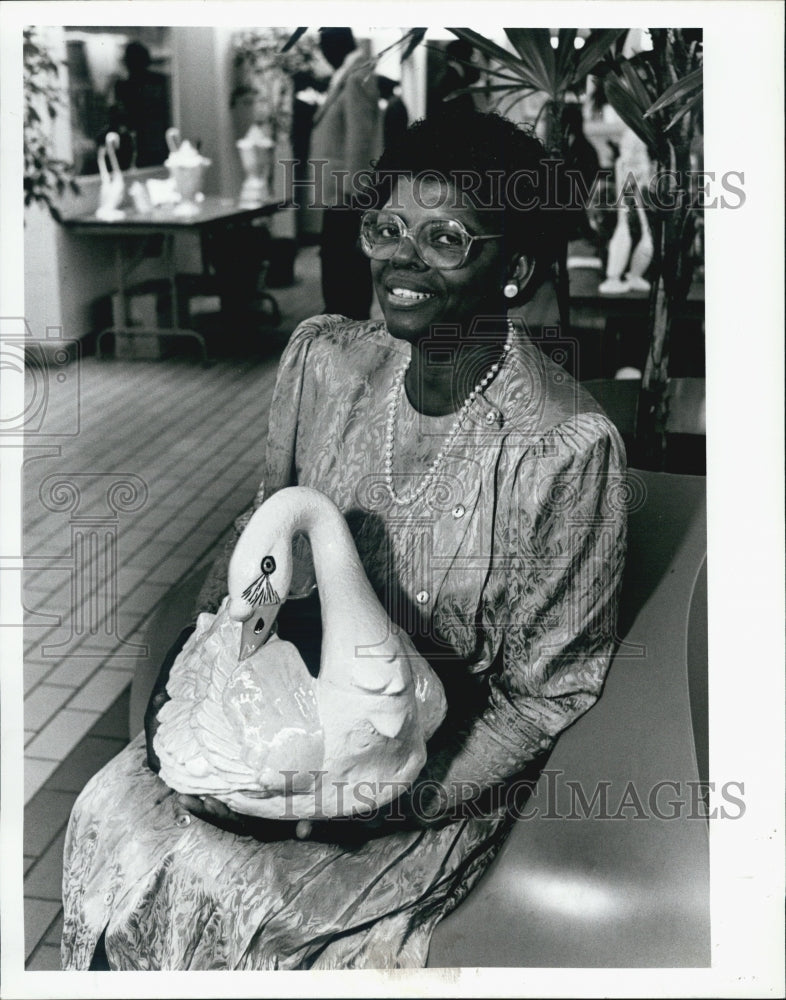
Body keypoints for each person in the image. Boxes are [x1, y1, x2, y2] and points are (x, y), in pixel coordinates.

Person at [61, 109, 627, 971]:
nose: (401, 257)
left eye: (446, 239)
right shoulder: (323, 362)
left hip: (426, 770)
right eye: (387, 227)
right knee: (114, 816)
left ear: (513, 270)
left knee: (238, 896)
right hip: (278, 721)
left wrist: (368, 803)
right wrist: (211, 672)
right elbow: (259, 560)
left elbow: (544, 697)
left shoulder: (562, 448)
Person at [308, 28, 383, 320]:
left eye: (325, 45)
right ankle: (340, 321)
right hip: (338, 193)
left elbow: (360, 139)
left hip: (347, 193)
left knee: (343, 263)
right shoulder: (347, 74)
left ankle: (347, 325)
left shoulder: (356, 77)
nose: (323, 53)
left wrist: (357, 193)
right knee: (335, 259)